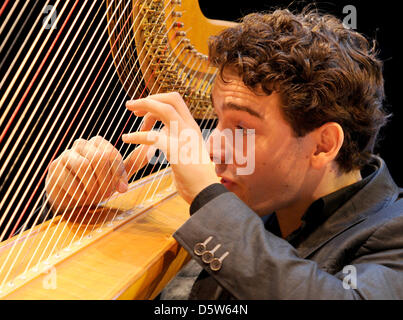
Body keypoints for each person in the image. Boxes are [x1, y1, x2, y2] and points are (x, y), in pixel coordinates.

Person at [45, 8, 403, 299]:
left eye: (243, 129)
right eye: (217, 120)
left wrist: (207, 197)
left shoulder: (393, 234)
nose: (213, 148)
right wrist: (84, 192)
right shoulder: (253, 191)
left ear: (323, 145)